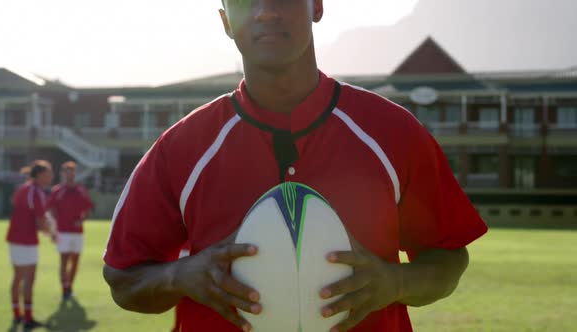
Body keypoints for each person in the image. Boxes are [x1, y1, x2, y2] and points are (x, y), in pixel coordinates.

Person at [103, 1, 488, 331]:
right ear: (225, 21)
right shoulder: (182, 147)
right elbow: (123, 279)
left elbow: (448, 258)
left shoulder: (393, 132)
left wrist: (395, 282)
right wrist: (180, 275)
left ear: (316, 5)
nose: (265, 11)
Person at [6, 160, 54, 330]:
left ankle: (17, 314)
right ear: (40, 175)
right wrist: (52, 233)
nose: (51, 176)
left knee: (17, 277)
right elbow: (41, 220)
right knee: (29, 279)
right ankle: (28, 318)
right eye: (49, 173)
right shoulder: (36, 191)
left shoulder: (22, 188)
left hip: (13, 237)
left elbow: (17, 205)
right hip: (26, 240)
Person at [46, 161, 93, 300]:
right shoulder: (57, 190)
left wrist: (82, 220)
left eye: (72, 171)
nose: (70, 174)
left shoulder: (81, 190)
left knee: (75, 261)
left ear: (75, 173)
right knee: (64, 260)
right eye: (67, 171)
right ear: (63, 173)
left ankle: (70, 287)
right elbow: (51, 210)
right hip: (63, 231)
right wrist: (53, 227)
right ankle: (65, 289)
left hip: (77, 232)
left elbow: (88, 209)